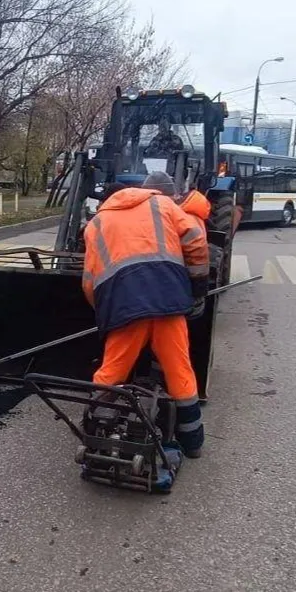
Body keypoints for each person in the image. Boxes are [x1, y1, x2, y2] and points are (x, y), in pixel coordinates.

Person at [81, 172, 210, 457]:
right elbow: (196, 240)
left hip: (125, 306)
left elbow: (89, 282)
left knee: (112, 370)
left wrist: (106, 312)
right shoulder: (163, 206)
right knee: (179, 371)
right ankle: (192, 444)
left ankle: (96, 433)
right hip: (168, 301)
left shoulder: (95, 225)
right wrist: (198, 288)